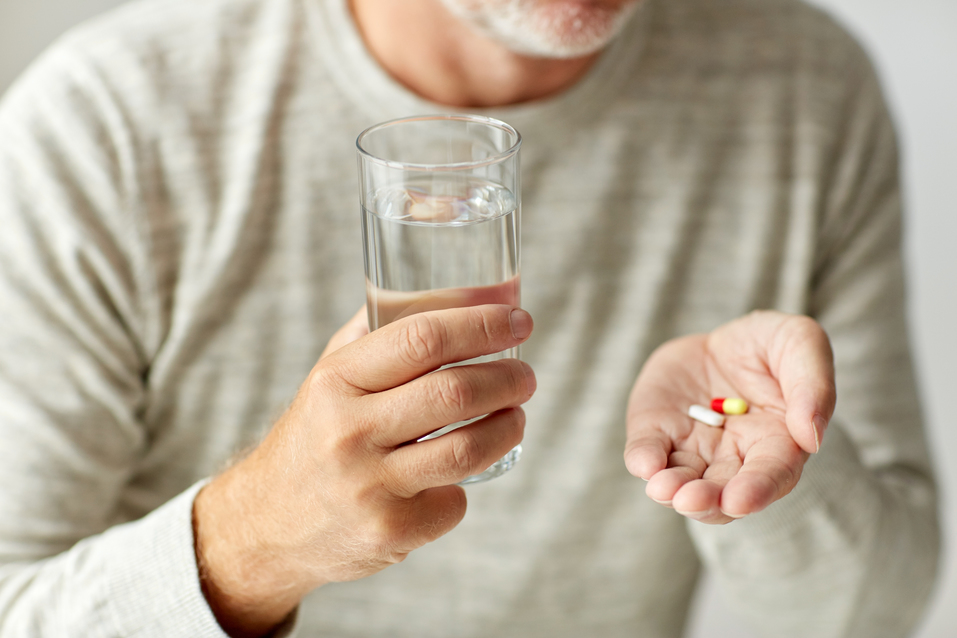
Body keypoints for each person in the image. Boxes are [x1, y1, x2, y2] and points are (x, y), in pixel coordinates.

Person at [0, 0, 940, 636]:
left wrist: (774, 477)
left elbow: (866, 614)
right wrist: (251, 543)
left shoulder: (805, 89)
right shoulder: (105, 126)